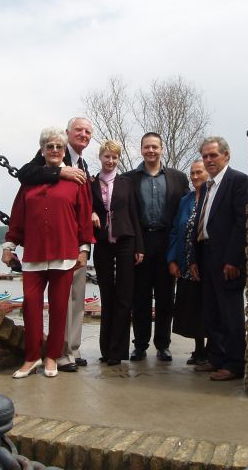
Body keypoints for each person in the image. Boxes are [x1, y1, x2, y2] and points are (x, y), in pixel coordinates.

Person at [2, 127, 94, 378]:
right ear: (42, 150)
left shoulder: (77, 180)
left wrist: (84, 249)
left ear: (65, 150)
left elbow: (83, 217)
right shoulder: (30, 182)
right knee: (31, 305)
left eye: (59, 146)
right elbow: (18, 216)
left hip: (65, 254)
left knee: (59, 308)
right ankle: (31, 357)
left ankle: (52, 356)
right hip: (34, 255)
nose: (54, 150)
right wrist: (9, 246)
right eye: (49, 146)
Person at [125, 132, 189, 362]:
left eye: (155, 147)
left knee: (165, 298)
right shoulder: (128, 179)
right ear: (141, 149)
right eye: (147, 147)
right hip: (140, 243)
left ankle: (163, 345)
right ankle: (140, 345)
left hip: (167, 242)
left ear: (161, 149)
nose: (151, 150)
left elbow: (185, 211)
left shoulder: (178, 178)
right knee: (140, 298)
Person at [190, 136, 247, 381]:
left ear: (226, 155)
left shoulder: (238, 181)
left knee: (230, 313)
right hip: (206, 255)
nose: (209, 160)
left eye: (213, 155)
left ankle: (234, 364)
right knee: (211, 311)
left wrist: (233, 259)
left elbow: (242, 223)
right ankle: (216, 358)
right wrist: (194, 258)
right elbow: (201, 224)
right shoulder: (207, 186)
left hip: (227, 258)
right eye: (205, 156)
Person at [90, 140, 144, 366]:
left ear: (118, 159)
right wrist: (91, 212)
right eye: (107, 156)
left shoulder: (126, 183)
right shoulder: (91, 183)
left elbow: (134, 214)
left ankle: (118, 351)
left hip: (125, 241)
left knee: (123, 296)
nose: (110, 161)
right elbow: (84, 206)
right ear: (100, 157)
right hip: (102, 243)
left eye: (114, 157)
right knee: (107, 295)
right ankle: (105, 349)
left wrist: (139, 247)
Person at [167, 159, 209, 365]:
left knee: (207, 306)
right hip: (185, 263)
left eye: (199, 172)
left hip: (206, 263)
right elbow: (175, 230)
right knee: (192, 307)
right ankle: (199, 349)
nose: (194, 177)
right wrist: (172, 259)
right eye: (192, 173)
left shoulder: (213, 197)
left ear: (208, 174)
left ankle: (212, 350)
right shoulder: (186, 200)